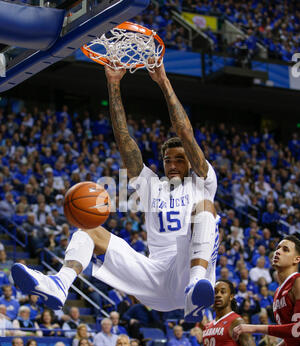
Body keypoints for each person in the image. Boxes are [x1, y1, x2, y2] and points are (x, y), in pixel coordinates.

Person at [11, 61, 220, 323]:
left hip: (188, 272)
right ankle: (59, 283)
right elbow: (124, 139)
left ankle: (197, 286)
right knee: (88, 229)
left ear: (190, 161)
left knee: (205, 208)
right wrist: (113, 83)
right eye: (168, 160)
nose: (173, 165)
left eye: (179, 159)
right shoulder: (150, 185)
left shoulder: (202, 181)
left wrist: (163, 81)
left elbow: (185, 133)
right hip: (155, 277)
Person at [232, 235, 300, 346]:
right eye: (277, 248)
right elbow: (292, 339)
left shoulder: (297, 282)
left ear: (297, 259)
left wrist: (253, 327)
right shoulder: (277, 292)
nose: (278, 252)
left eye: (285, 249)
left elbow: (297, 330)